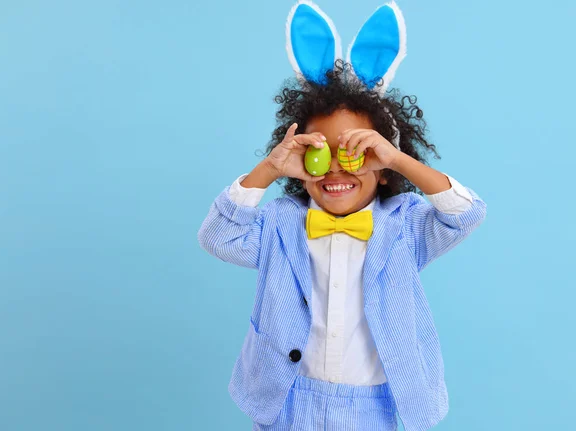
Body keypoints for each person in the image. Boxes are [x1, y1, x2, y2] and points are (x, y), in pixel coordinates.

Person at [198, 2, 487, 430]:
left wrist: (398, 159)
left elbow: (465, 214)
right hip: (288, 400)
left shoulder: (405, 225)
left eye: (354, 153)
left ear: (381, 164)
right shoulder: (279, 223)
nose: (335, 166)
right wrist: (270, 169)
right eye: (320, 152)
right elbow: (218, 236)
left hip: (381, 405)